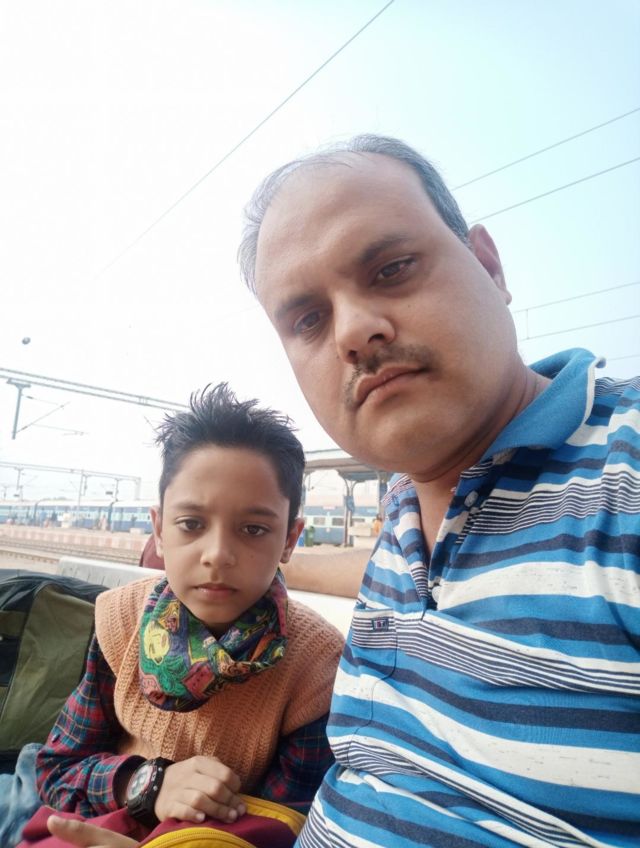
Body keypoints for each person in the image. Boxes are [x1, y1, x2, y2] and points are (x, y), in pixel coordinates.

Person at [51, 133, 640, 848]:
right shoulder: (404, 519)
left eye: (392, 269)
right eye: (308, 319)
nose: (354, 332)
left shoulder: (623, 472)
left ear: (490, 265)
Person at [33, 383, 343, 842]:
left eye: (253, 529)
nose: (217, 554)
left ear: (290, 539)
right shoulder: (121, 622)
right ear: (159, 531)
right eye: (191, 524)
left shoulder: (316, 666)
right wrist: (146, 784)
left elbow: (285, 825)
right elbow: (57, 769)